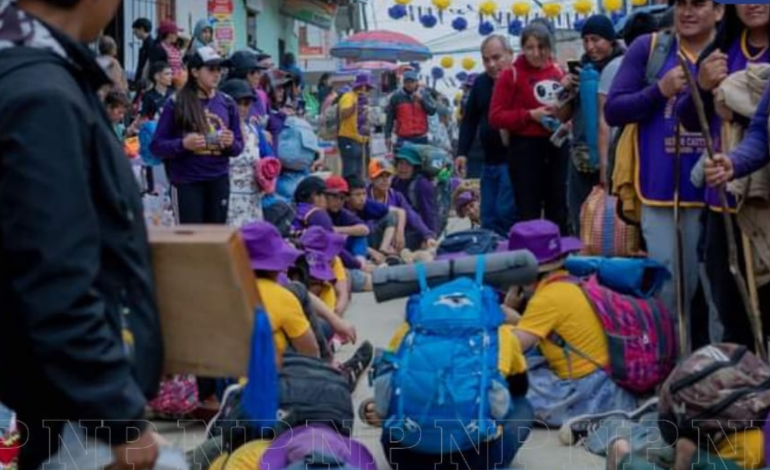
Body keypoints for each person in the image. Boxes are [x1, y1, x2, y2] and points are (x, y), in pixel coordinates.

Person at [0, 0, 163, 469]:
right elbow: (54, 271)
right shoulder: (40, 92)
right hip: (69, 405)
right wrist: (118, 417)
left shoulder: (42, 69)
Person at [605, 0, 724, 320]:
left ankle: (727, 366)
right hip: (662, 191)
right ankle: (670, 364)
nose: (687, 12)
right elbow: (613, 110)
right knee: (670, 296)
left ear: (719, 11)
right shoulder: (651, 48)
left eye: (698, 4)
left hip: (725, 190)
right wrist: (659, 90)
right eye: (681, 4)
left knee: (722, 296)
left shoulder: (731, 52)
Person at [677, 3, 770, 349]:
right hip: (724, 201)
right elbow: (688, 118)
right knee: (733, 312)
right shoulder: (720, 51)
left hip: (765, 200)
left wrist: (739, 106)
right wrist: (700, 86)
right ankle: (747, 392)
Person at [359, 302, 535, 470]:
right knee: (522, 405)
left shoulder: (408, 330)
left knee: (400, 398)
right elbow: (519, 389)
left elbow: (386, 381)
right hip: (476, 461)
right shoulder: (500, 333)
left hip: (404, 459)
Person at [506, 220, 638, 426]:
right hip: (607, 379)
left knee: (507, 386)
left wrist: (498, 315)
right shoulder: (568, 282)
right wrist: (513, 314)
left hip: (587, 391)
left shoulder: (546, 299)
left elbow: (511, 346)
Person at [489, 24, 571, 232]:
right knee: (528, 209)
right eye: (530, 47)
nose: (536, 53)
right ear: (522, 49)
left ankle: (558, 254)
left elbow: (568, 110)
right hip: (525, 149)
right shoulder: (511, 75)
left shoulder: (559, 71)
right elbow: (496, 116)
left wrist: (567, 101)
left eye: (541, 47)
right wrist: (529, 115)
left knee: (558, 207)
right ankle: (534, 257)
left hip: (556, 145)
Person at [150, 46, 243, 224]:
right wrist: (184, 144)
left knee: (216, 239)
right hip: (187, 183)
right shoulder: (176, 103)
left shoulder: (228, 103)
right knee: (190, 242)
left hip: (218, 180)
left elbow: (238, 147)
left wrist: (230, 143)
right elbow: (157, 146)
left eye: (219, 69)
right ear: (194, 71)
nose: (217, 74)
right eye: (211, 69)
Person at [563, 15, 625, 234]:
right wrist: (567, 89)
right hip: (581, 158)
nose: (590, 46)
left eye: (596, 39)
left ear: (610, 40)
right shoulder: (580, 72)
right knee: (581, 216)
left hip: (614, 155)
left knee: (614, 219)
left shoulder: (624, 67)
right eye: (586, 40)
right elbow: (562, 114)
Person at [456, 35, 517, 237]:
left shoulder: (520, 80)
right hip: (489, 162)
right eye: (486, 60)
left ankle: (512, 257)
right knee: (488, 215)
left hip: (514, 161)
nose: (491, 64)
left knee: (505, 212)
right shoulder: (481, 84)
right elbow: (469, 120)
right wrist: (462, 152)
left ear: (510, 54)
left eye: (496, 57)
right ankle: (493, 260)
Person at [241, 221, 320, 360]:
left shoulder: (226, 291)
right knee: (323, 328)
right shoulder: (281, 296)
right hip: (275, 374)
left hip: (232, 373)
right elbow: (310, 351)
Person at [221, 79, 264, 227]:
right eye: (237, 103)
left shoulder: (253, 130)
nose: (242, 108)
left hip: (253, 199)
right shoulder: (219, 130)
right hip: (228, 200)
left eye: (246, 104)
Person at [367, 158, 437, 251]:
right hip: (371, 238)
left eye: (388, 176)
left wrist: (428, 235)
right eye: (380, 176)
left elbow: (411, 215)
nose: (385, 180)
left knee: (419, 238)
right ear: (372, 179)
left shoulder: (396, 196)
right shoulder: (365, 195)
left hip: (393, 239)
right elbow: (368, 225)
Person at [346, 175, 407, 260]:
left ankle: (384, 249)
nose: (362, 198)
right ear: (347, 197)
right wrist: (371, 252)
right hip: (353, 245)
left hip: (369, 239)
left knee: (391, 216)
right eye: (357, 195)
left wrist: (400, 233)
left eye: (364, 194)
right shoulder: (342, 212)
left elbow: (400, 211)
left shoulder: (366, 204)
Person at [391, 145, 439, 235]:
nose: (403, 168)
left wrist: (429, 236)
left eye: (408, 164)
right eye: (400, 163)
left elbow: (429, 212)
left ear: (415, 167)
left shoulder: (422, 184)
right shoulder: (395, 181)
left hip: (418, 231)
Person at [384, 70, 437, 151]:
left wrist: (421, 100)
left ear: (416, 82)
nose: (409, 84)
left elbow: (432, 111)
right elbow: (389, 118)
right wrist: (387, 136)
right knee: (403, 163)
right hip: (403, 138)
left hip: (421, 138)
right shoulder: (396, 97)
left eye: (411, 82)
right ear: (403, 83)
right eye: (406, 82)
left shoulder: (425, 94)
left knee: (421, 162)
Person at [338, 73, 374, 180]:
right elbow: (343, 114)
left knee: (361, 172)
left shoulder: (366, 99)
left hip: (362, 140)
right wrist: (355, 106)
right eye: (364, 87)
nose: (365, 90)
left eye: (367, 88)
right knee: (351, 172)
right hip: (349, 138)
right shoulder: (348, 97)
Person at [226, 50, 271, 128]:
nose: (257, 76)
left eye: (259, 72)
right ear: (240, 73)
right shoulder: (228, 97)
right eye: (252, 72)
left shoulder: (257, 96)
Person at [132, 17, 153, 88]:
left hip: (145, 81)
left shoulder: (150, 44)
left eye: (135, 31)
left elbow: (148, 63)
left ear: (142, 29)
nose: (134, 33)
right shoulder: (146, 43)